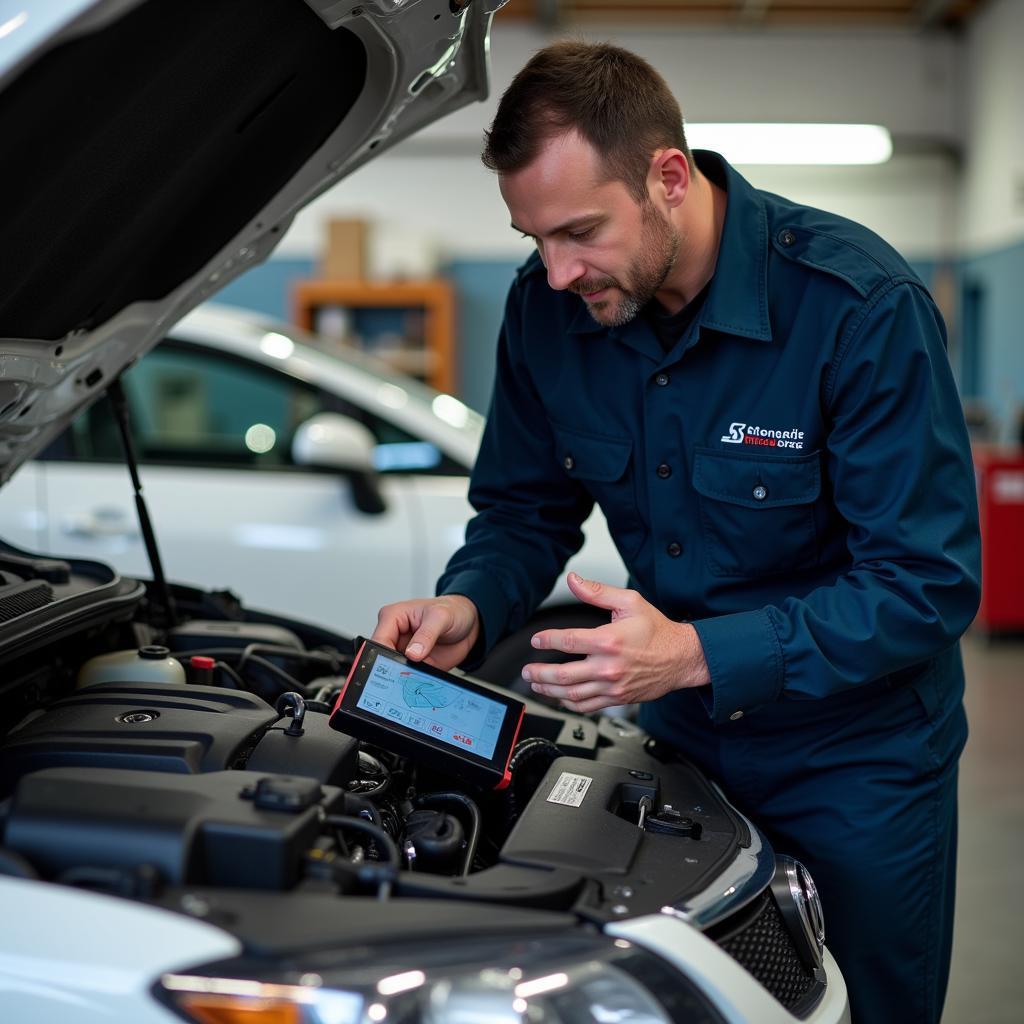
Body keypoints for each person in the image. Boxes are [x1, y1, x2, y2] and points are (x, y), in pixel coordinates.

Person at [373, 40, 981, 1024]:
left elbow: (924, 584)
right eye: (534, 239)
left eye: (579, 231)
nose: (558, 271)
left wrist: (697, 653)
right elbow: (524, 510)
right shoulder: (546, 311)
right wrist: (469, 599)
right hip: (682, 751)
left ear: (667, 176)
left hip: (857, 761)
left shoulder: (856, 308)